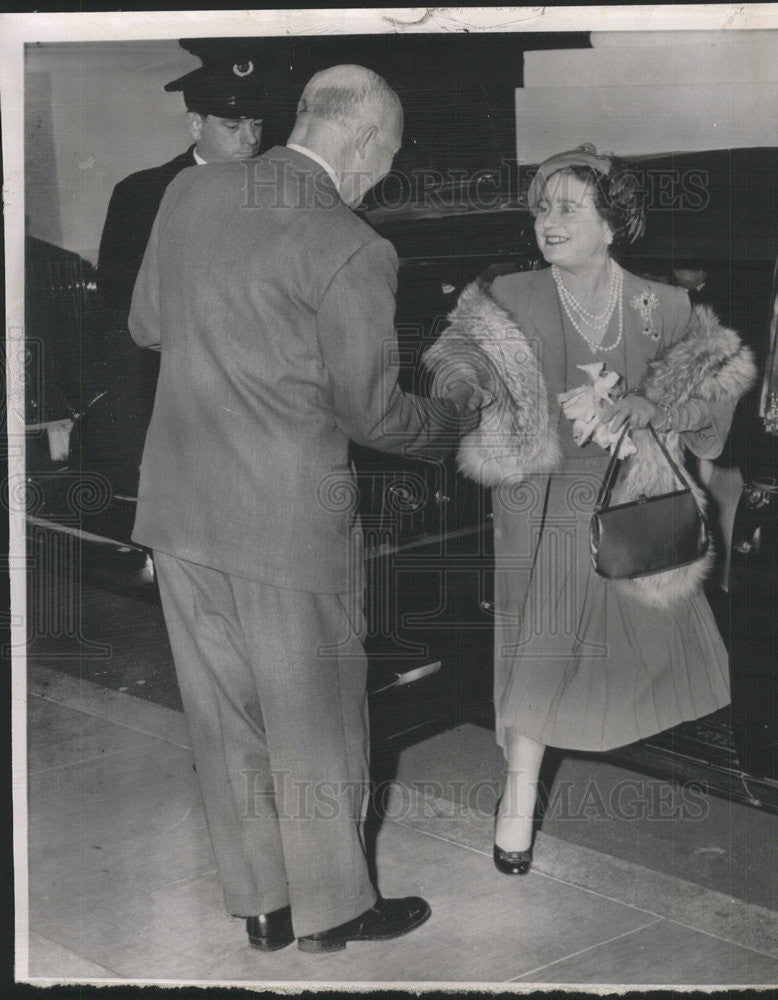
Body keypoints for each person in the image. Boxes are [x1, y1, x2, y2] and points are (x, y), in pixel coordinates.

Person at [128, 65, 485, 952]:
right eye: (387, 158)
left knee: (226, 719)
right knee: (318, 719)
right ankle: (336, 910)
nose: (380, 177)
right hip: (285, 522)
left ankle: (261, 907)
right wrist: (455, 422)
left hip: (179, 507)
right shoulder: (350, 243)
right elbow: (372, 414)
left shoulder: (189, 190)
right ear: (362, 141)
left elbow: (147, 326)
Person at [438, 145, 755, 876]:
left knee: (621, 653)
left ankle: (539, 780)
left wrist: (639, 408)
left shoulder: (663, 304)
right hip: (540, 498)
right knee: (542, 642)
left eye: (568, 207)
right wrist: (537, 403)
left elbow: (716, 390)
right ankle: (517, 799)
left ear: (612, 224)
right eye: (543, 207)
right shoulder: (506, 297)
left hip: (629, 496)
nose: (548, 221)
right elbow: (458, 377)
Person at [87, 44, 276, 498]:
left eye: (257, 123)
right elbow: (121, 309)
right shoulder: (142, 195)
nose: (249, 139)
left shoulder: (280, 189)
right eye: (232, 125)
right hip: (177, 397)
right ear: (196, 124)